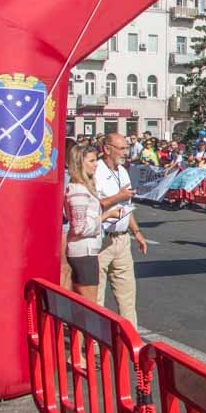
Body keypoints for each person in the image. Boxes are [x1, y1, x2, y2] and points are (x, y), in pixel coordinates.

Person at [96, 132, 148, 325]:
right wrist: (117, 197)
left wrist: (137, 232)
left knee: (127, 297)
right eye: (121, 148)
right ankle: (93, 345)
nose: (126, 153)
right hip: (101, 240)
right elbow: (91, 206)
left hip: (122, 239)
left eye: (126, 148)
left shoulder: (123, 171)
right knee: (96, 297)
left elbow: (127, 206)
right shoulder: (96, 170)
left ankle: (131, 344)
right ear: (107, 149)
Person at [65, 145, 123, 303]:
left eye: (95, 160)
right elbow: (79, 227)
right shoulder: (78, 190)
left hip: (87, 250)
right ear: (79, 163)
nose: (96, 164)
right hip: (83, 251)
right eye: (91, 161)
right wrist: (106, 216)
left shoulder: (84, 187)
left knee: (86, 302)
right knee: (89, 303)